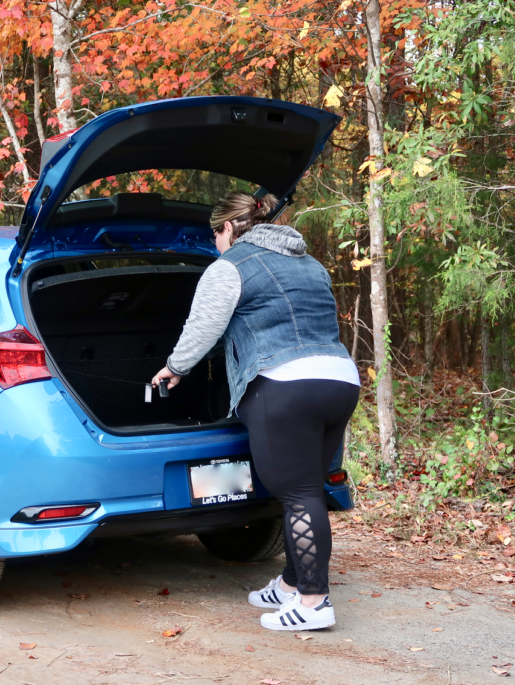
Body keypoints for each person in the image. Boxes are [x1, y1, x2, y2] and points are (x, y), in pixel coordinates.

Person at [152, 191, 360, 631]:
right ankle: (290, 585)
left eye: (215, 235)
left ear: (227, 228)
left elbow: (202, 327)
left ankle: (313, 603)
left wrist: (174, 368)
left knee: (298, 495)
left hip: (285, 384)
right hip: (340, 379)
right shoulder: (311, 264)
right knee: (307, 489)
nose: (215, 245)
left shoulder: (229, 267)